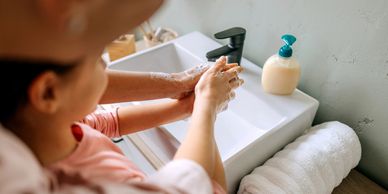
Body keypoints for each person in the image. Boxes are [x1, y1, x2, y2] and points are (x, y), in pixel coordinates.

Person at [0, 0, 244, 194]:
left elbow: (110, 122)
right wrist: (206, 107)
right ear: (48, 93)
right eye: (97, 59)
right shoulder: (78, 183)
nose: (106, 65)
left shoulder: (48, 131)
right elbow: (198, 187)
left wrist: (187, 104)